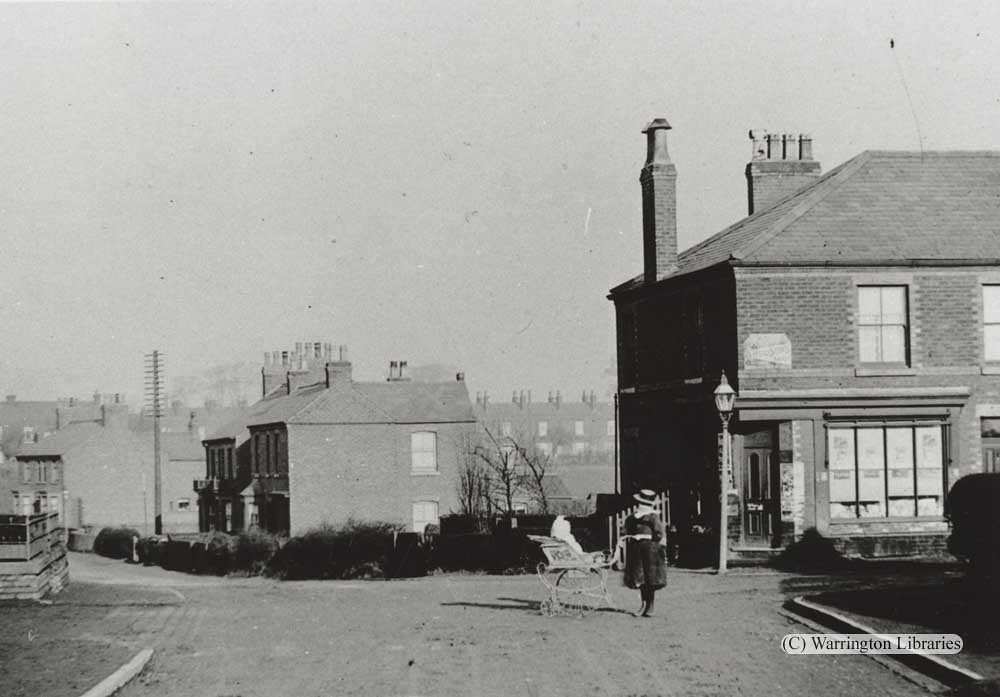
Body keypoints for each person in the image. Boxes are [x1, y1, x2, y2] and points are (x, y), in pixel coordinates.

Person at [622, 489, 667, 618]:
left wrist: (649, 540)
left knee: (650, 578)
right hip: (637, 549)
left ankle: (650, 606)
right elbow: (627, 529)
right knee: (640, 578)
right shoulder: (634, 517)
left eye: (643, 504)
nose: (640, 506)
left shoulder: (653, 517)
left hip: (650, 550)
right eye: (639, 503)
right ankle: (643, 605)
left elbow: (659, 533)